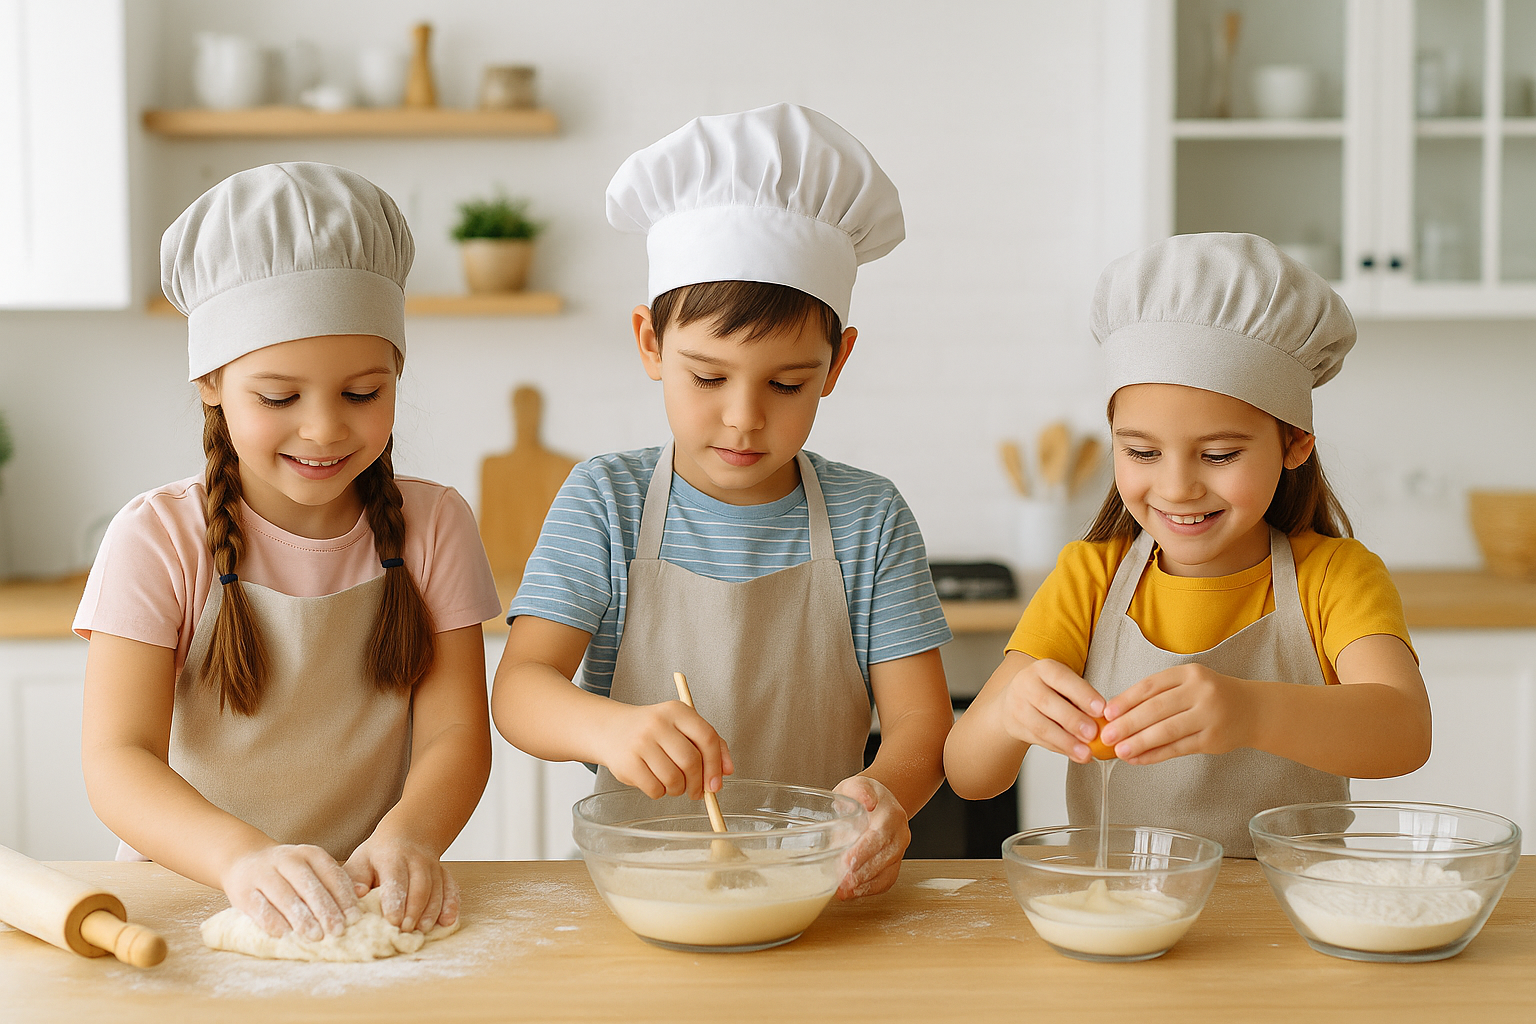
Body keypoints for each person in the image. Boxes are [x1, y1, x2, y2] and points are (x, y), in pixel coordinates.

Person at [491, 104, 954, 899]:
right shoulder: (605, 500)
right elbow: (521, 689)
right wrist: (610, 727)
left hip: (815, 885)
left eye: (787, 383)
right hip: (641, 886)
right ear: (648, 343)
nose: (744, 416)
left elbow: (922, 724)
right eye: (708, 377)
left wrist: (887, 795)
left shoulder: (867, 517)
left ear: (837, 362)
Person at [76, 163, 503, 940]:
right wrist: (240, 859)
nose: (324, 429)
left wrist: (408, 837)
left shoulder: (434, 525)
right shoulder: (158, 538)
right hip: (181, 899)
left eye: (362, 393)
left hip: (362, 903)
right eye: (279, 397)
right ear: (211, 380)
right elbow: (118, 759)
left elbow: (455, 735)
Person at [944, 232, 1432, 857]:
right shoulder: (1089, 577)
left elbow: (1404, 733)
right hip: (1121, 914)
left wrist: (1250, 712)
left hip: (1284, 917)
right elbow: (969, 774)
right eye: (1141, 452)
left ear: (1295, 444)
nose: (1177, 488)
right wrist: (1013, 711)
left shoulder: (1334, 577)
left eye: (1220, 454)